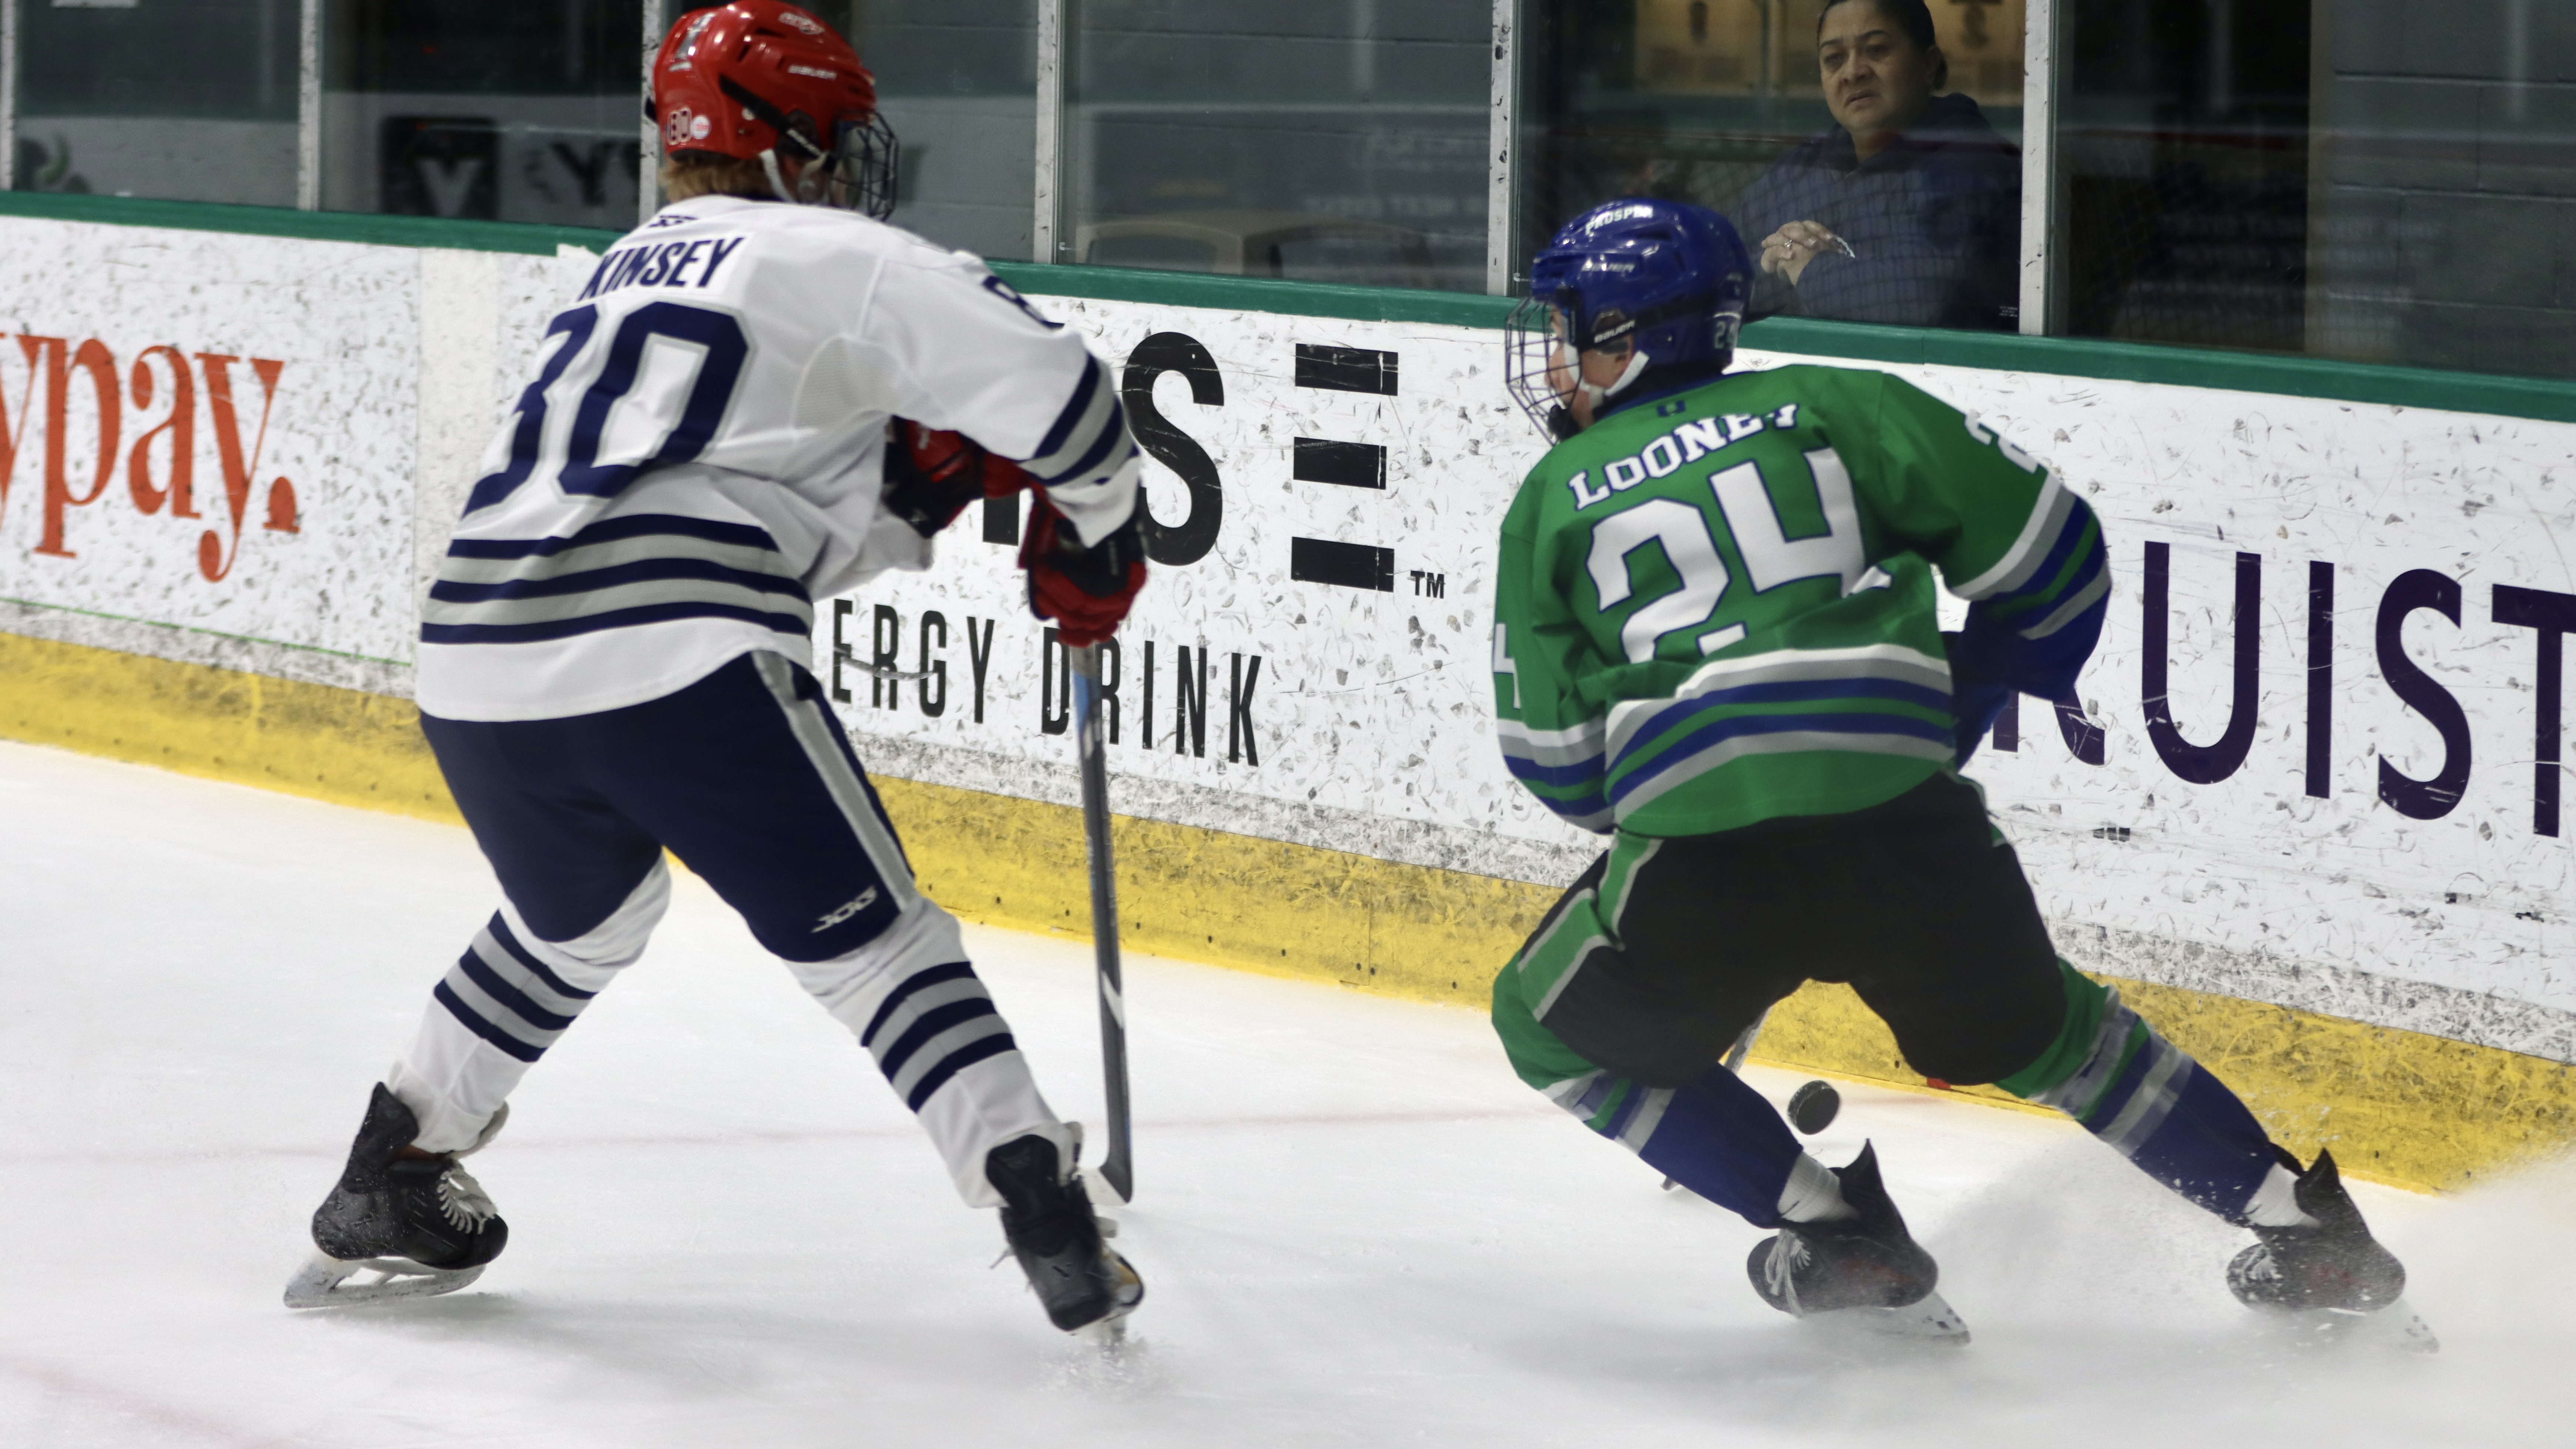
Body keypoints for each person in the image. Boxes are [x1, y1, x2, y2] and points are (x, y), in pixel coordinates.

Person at [284, 1, 1147, 1339]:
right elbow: (1071, 394)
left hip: (473, 658)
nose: (848, 170)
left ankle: (386, 1168)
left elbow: (718, 500)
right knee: (876, 945)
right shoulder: (838, 253)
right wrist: (1098, 535)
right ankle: (1040, 1203)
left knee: (578, 922)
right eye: (835, 142)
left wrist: (900, 502)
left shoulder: (615, 273)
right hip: (678, 649)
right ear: (790, 142)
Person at [1488, 197, 2429, 1345]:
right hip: (1905, 827)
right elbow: (2056, 556)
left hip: (1701, 858)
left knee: (1543, 1024)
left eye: (1568, 329)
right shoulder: (1839, 405)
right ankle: (2306, 1230)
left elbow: (1557, 763)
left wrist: (1681, 783)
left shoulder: (1553, 496)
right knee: (2063, 1040)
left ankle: (1838, 1235)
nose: (1556, 359)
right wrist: (1957, 701)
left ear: (1630, 338)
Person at [1738, 0, 2019, 331]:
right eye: (1834, 58)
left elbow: (1917, 301)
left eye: (1876, 50)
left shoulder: (1970, 163)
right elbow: (1716, 269)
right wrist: (1773, 266)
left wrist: (1810, 269)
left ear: (1928, 65)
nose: (1853, 72)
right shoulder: (1804, 165)